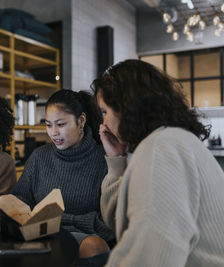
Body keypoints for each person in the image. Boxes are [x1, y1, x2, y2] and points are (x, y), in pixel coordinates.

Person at [92, 59, 224, 266]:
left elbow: (152, 256)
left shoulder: (161, 148)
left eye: (105, 112)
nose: (104, 123)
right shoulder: (166, 141)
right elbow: (121, 221)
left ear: (126, 108)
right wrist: (117, 160)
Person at [12, 89, 115, 261]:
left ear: (81, 121)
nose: (53, 133)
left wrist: (61, 220)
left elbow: (110, 223)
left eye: (60, 125)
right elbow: (19, 201)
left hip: (85, 237)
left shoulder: (104, 158)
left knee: (94, 247)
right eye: (48, 124)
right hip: (42, 235)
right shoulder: (39, 157)